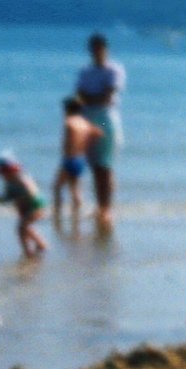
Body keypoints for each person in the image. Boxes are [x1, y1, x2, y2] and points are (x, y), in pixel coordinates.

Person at [74, 34, 126, 230]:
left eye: (99, 48)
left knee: (106, 165)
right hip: (87, 118)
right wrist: (91, 98)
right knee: (94, 166)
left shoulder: (114, 69)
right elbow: (79, 97)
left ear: (106, 49)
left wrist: (90, 98)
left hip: (106, 118)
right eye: (93, 48)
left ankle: (107, 208)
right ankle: (100, 206)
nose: (96, 52)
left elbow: (107, 96)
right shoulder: (85, 71)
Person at [52, 96, 100, 229]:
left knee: (57, 187)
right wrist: (86, 145)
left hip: (69, 159)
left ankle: (57, 214)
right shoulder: (85, 123)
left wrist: (69, 148)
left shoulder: (69, 122)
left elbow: (67, 140)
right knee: (75, 190)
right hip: (80, 158)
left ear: (68, 109)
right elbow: (98, 133)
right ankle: (76, 215)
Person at [0, 154, 47, 258]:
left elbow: (32, 192)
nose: (5, 176)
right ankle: (40, 245)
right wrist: (0, 199)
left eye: (6, 172)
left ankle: (29, 251)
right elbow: (8, 197)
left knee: (21, 228)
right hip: (24, 208)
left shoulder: (21, 178)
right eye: (3, 173)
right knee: (25, 228)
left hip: (35, 205)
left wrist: (26, 199)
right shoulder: (8, 182)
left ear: (13, 170)